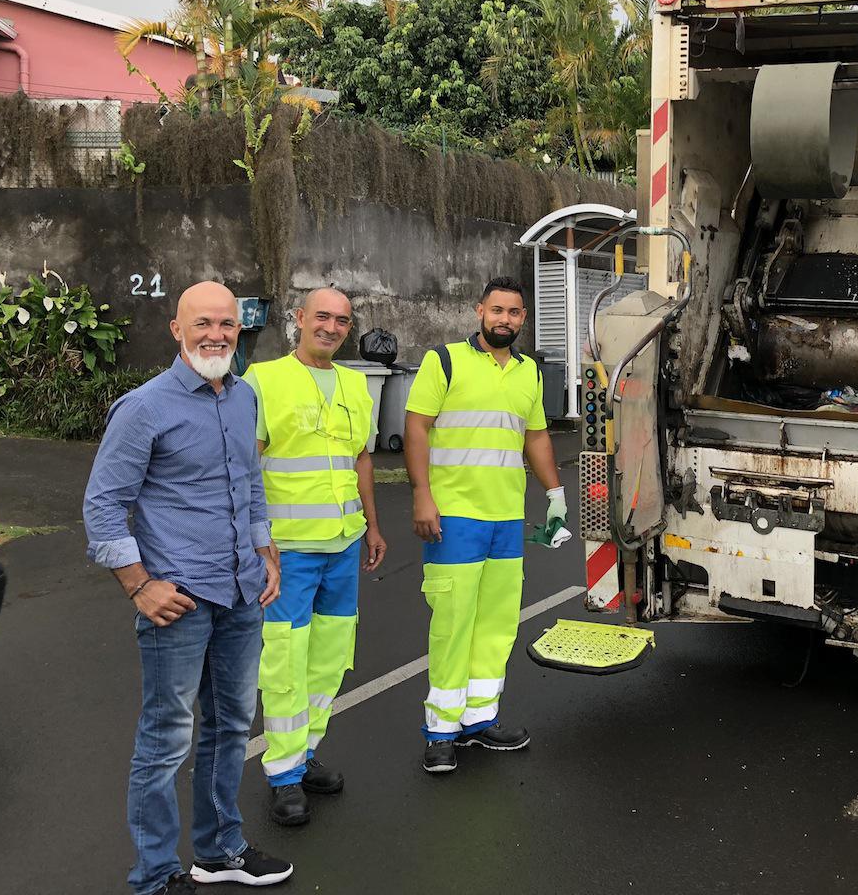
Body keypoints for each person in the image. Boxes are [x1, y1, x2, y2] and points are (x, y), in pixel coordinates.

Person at [83, 281, 293, 895]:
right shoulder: (144, 407)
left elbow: (250, 483)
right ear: (176, 329)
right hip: (177, 600)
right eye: (202, 323)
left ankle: (220, 849)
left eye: (226, 324)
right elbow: (103, 505)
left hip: (240, 593)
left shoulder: (244, 397)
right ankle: (153, 876)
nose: (215, 335)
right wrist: (138, 585)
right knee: (166, 738)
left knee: (231, 726)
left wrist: (264, 549)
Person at [403, 276, 566, 774]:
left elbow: (534, 436)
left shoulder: (529, 373)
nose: (505, 320)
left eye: (514, 313)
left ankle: (479, 719)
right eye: (497, 310)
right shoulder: (444, 361)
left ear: (523, 320)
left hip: (505, 519)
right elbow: (416, 426)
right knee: (453, 623)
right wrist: (422, 495)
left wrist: (555, 495)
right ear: (480, 311)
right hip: (454, 516)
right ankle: (441, 731)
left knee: (496, 624)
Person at [243, 288, 387, 826]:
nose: (330, 327)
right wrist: (257, 543)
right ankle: (282, 772)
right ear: (298, 319)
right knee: (285, 661)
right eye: (321, 316)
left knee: (329, 657)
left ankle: (305, 753)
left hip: (343, 546)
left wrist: (373, 525)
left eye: (341, 320)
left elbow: (361, 460)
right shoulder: (263, 380)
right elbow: (246, 468)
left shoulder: (354, 382)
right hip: (288, 554)